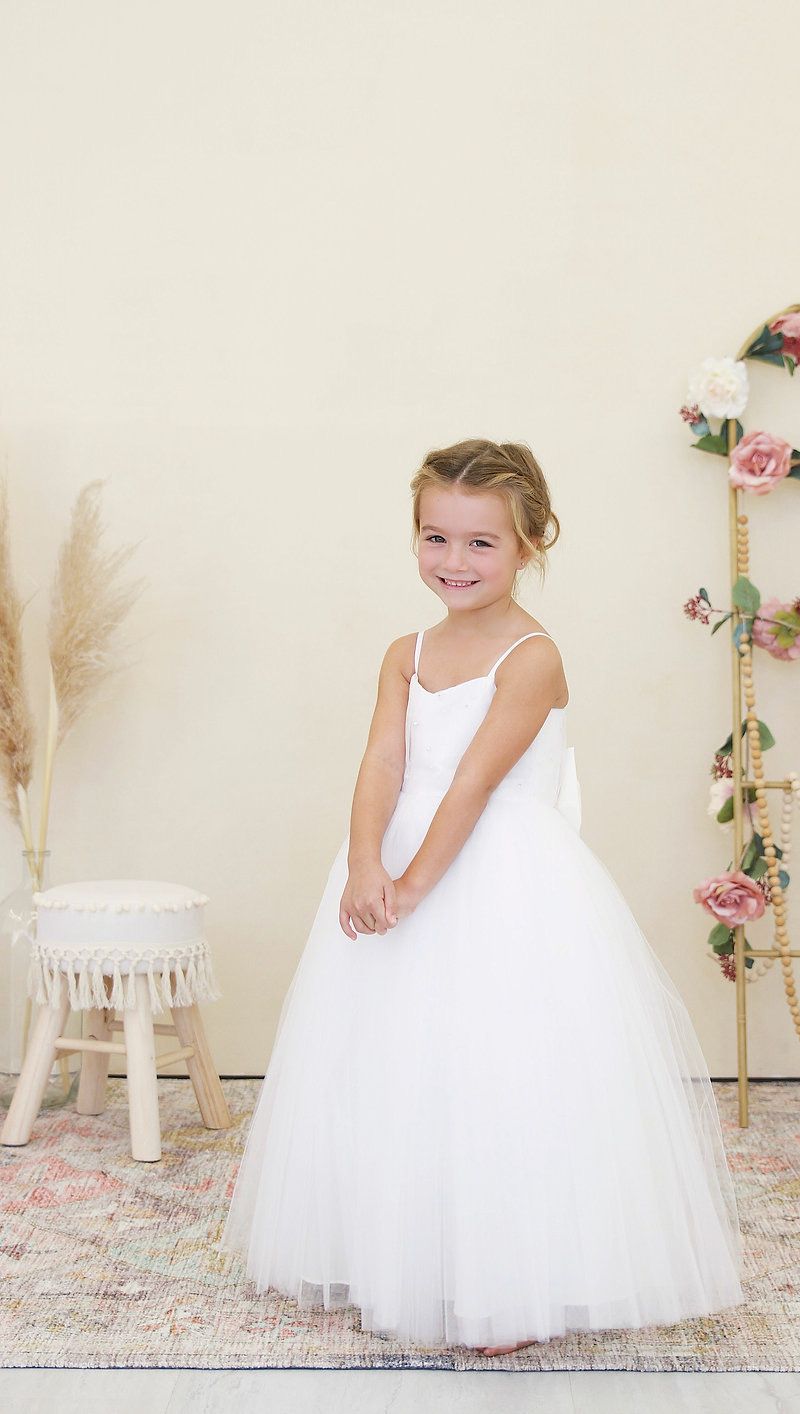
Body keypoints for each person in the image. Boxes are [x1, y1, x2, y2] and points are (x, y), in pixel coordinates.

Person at [218, 437, 746, 1355]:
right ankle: (395, 1252)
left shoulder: (532, 658)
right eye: (435, 538)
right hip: (394, 868)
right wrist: (362, 864)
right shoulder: (404, 650)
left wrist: (414, 883)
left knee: (498, 1069)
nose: (452, 562)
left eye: (480, 544)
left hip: (495, 878)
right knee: (389, 1064)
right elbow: (384, 758)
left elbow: (470, 784)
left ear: (529, 542)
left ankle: (505, 1280)